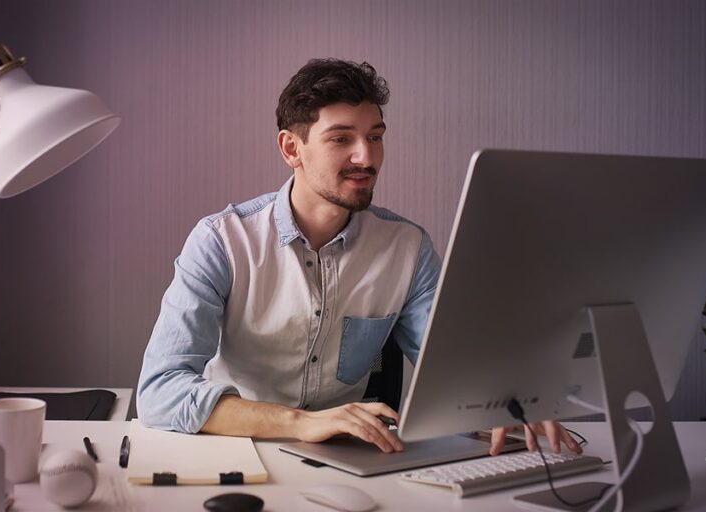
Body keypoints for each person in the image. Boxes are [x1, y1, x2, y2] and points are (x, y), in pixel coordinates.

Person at [137, 58, 581, 456]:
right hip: (241, 451)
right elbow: (160, 392)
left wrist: (509, 397)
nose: (365, 157)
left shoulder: (408, 248)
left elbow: (452, 370)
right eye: (341, 139)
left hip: (349, 459)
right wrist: (303, 424)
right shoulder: (221, 241)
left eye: (375, 137)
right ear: (292, 148)